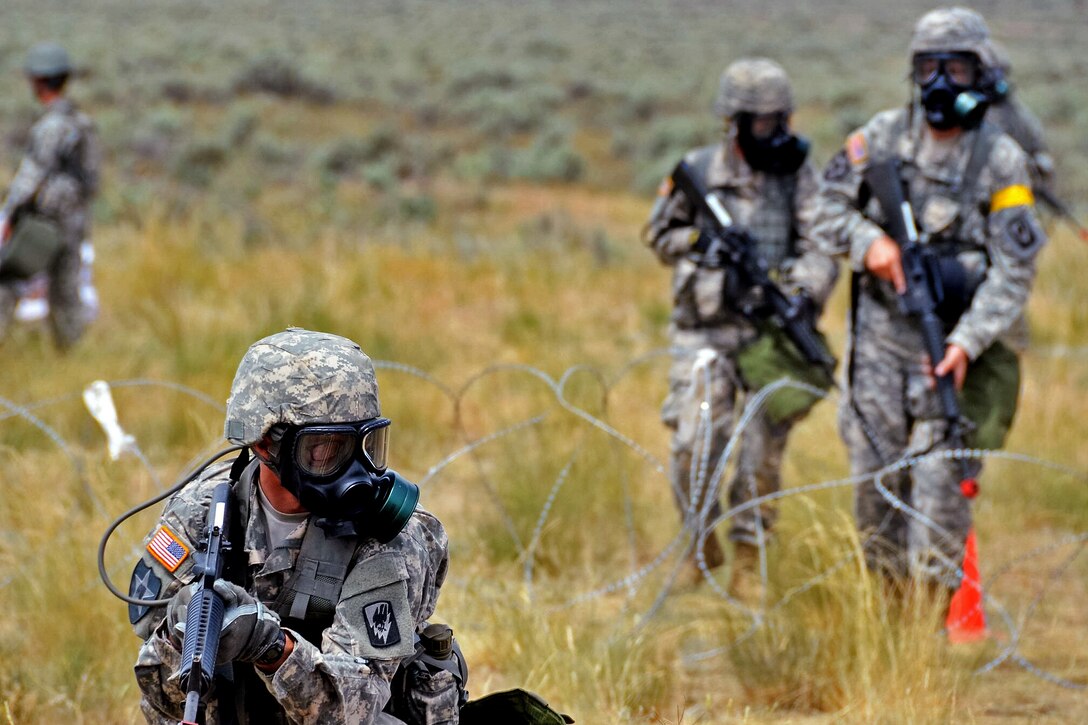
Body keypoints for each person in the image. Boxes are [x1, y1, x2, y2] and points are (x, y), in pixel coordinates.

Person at [812, 8, 1046, 594]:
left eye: (957, 66)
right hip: (879, 354)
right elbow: (821, 209)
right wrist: (871, 245)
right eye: (929, 66)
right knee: (875, 495)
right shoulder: (879, 138)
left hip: (952, 353)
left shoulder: (1001, 159)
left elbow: (1015, 269)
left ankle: (926, 638)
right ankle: (885, 631)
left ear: (979, 74)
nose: (941, 80)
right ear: (914, 72)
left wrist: (968, 340)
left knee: (940, 493)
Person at [129, 328, 465, 724]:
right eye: (325, 449)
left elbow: (355, 708)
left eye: (367, 446)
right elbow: (160, 698)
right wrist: (179, 638)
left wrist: (270, 646)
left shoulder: (393, 537)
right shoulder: (201, 513)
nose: (354, 471)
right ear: (264, 444)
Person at [643, 58, 838, 594]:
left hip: (767, 337)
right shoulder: (698, 170)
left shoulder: (798, 177)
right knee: (692, 445)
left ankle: (750, 556)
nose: (775, 132)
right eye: (762, 122)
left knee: (760, 453)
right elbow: (660, 234)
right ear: (734, 121)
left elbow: (822, 246)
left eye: (781, 120)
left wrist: (799, 292)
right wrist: (701, 243)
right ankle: (697, 545)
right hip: (703, 333)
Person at [0, 41, 100, 350]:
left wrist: (10, 216)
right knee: (66, 291)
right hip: (74, 220)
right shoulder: (82, 123)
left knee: (9, 280)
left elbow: (31, 177)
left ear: (38, 81)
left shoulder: (51, 126)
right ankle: (70, 355)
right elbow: (92, 180)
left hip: (43, 224)